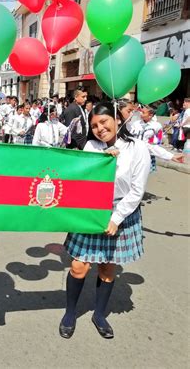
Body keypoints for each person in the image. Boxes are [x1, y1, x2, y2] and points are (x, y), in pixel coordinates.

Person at [59, 102, 151, 340]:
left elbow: (136, 191)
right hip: (92, 210)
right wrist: (104, 161)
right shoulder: (91, 145)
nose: (100, 128)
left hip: (123, 211)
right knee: (79, 266)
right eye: (95, 125)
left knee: (107, 268)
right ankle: (70, 313)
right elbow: (83, 177)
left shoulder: (137, 147)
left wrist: (117, 218)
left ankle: (99, 315)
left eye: (104, 121)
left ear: (117, 119)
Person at [130, 106, 183, 170]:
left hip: (146, 154)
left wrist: (171, 156)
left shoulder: (156, 126)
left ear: (150, 115)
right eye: (141, 111)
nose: (141, 113)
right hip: (132, 153)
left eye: (143, 112)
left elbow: (155, 145)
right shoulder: (135, 124)